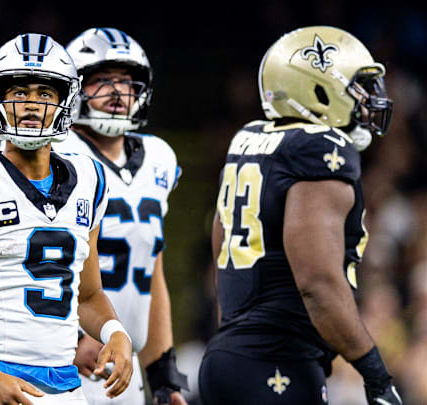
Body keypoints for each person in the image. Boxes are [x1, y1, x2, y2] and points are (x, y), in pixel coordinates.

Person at [0, 33, 133, 405]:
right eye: (19, 93)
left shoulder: (90, 179)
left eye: (44, 94)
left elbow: (88, 294)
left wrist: (115, 332)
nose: (31, 104)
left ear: (64, 101)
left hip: (66, 384)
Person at [198, 26, 402, 405]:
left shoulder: (249, 139)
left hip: (230, 357)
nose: (369, 100)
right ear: (319, 88)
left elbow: (220, 245)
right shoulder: (320, 148)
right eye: (358, 87)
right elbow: (318, 283)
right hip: (277, 364)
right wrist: (375, 374)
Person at [51, 28, 188, 405]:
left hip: (123, 369)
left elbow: (151, 269)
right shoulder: (55, 153)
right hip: (61, 361)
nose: (117, 91)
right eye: (102, 80)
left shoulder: (159, 157)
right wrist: (74, 339)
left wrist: (162, 374)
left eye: (127, 82)